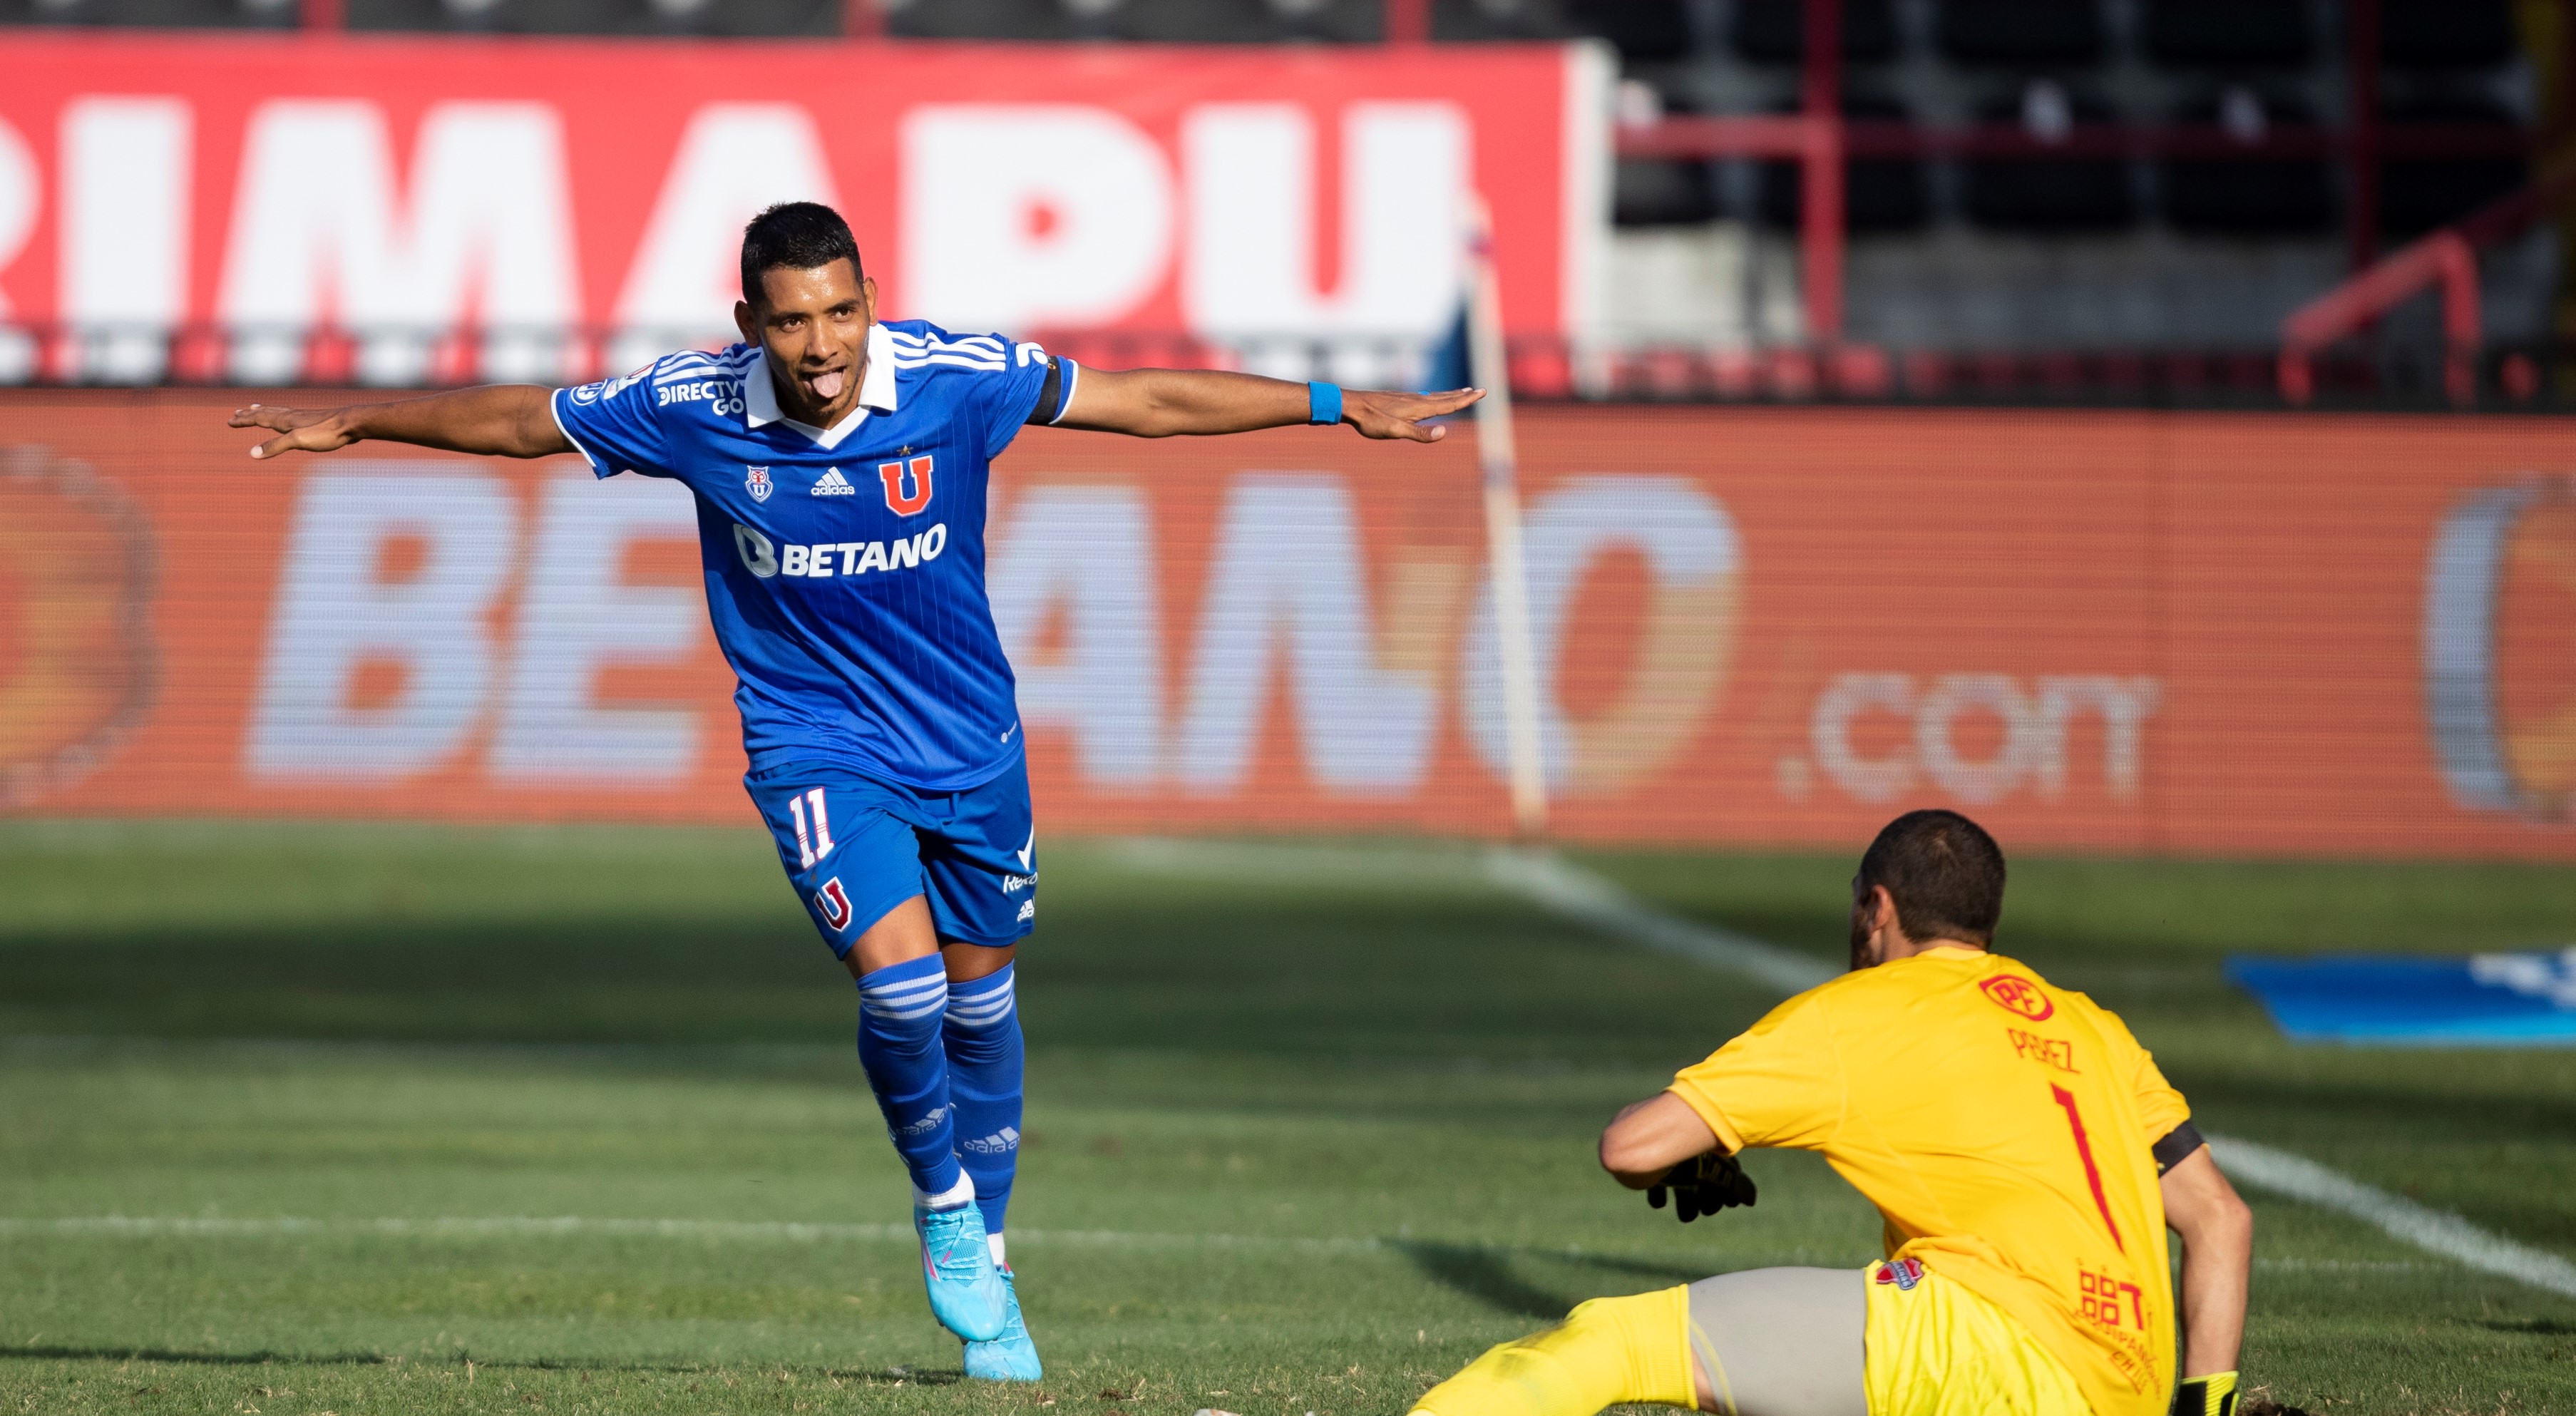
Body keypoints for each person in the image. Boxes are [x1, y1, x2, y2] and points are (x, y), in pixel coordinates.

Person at [230, 201, 1480, 1382]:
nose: (820, 346)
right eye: (791, 321)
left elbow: (1144, 400)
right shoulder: (689, 406)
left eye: (839, 313)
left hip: (972, 744)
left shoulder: (957, 377)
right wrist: (361, 421)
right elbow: (521, 423)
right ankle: (942, 1207)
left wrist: (1339, 406)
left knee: (980, 1005)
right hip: (815, 741)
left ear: (871, 299)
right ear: (750, 324)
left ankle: (992, 1256)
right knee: (904, 988)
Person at [1408, 809, 2255, 1416]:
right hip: (2130, 1384)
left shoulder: (1858, 1013)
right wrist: (2202, 1403)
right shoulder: (2090, 1026)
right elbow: (2220, 1219)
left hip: (1982, 1348)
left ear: (1876, 908)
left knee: (1615, 1338)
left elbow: (1632, 1148)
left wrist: (1694, 1151)